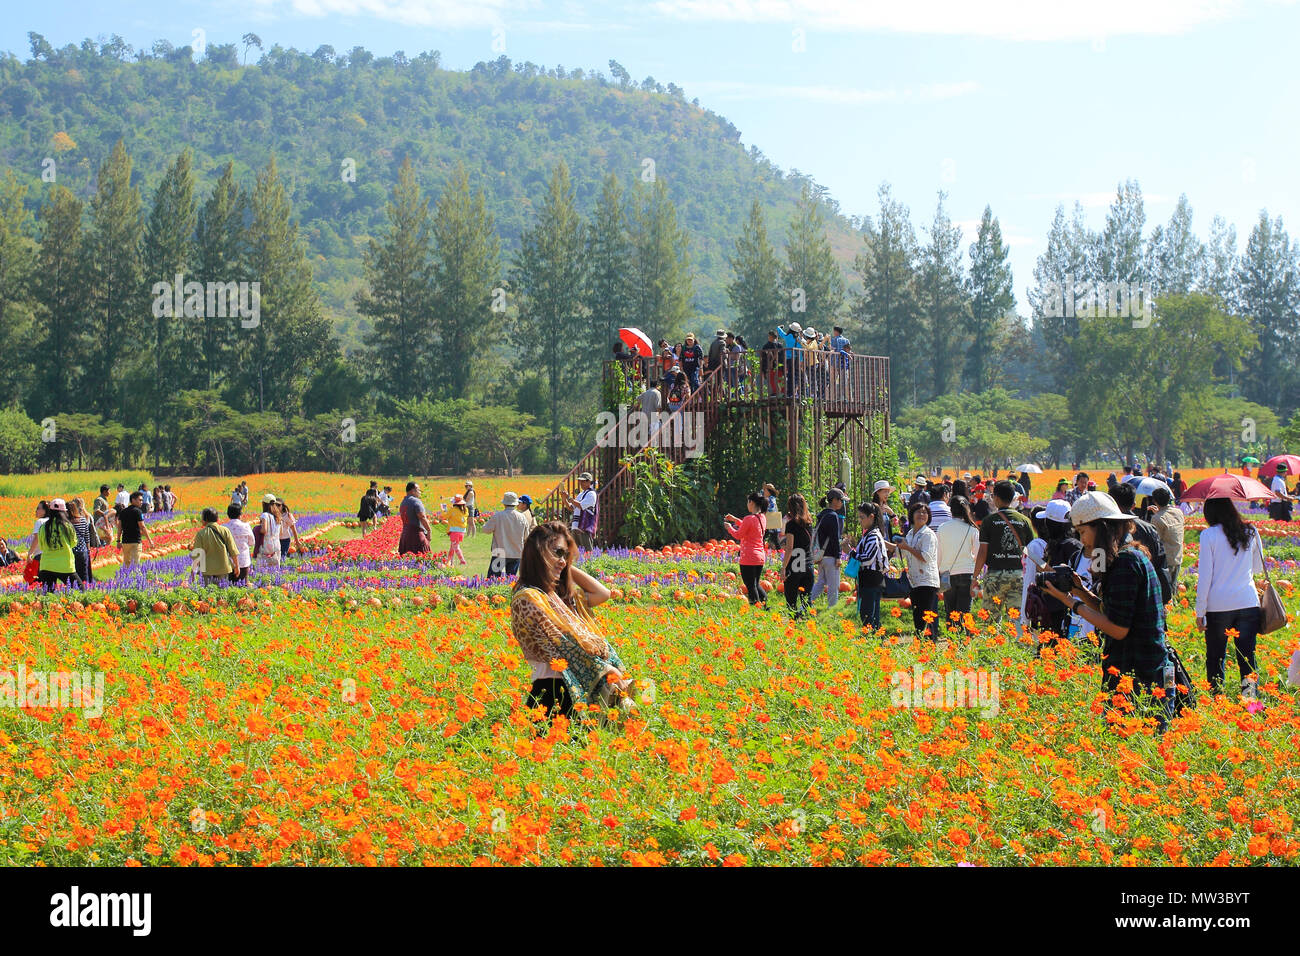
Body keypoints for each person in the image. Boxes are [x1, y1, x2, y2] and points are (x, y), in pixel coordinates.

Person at [1040, 492, 1175, 733]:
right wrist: (1079, 591)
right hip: (1141, 670)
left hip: (1139, 678)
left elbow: (1118, 629)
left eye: (1083, 533)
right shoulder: (1127, 555)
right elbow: (1109, 609)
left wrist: (1071, 603)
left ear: (1101, 527)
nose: (1083, 542)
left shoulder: (1125, 563)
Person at [510, 522, 627, 721]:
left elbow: (603, 593)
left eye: (566, 554)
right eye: (557, 552)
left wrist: (566, 565)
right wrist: (605, 668)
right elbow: (564, 642)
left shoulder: (556, 598)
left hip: (574, 691)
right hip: (550, 693)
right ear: (538, 553)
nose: (563, 560)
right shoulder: (527, 597)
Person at [1194, 497, 1265, 699]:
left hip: (1218, 606)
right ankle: (1251, 703)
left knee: (1215, 657)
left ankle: (1218, 702)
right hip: (1248, 602)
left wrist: (1200, 611)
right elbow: (1258, 567)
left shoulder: (1209, 535)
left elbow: (1205, 576)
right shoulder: (1250, 531)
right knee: (1247, 658)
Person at [973, 480, 1035, 637]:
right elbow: (1030, 552)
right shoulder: (1024, 520)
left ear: (996, 499)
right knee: (1015, 618)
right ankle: (1017, 651)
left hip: (994, 576)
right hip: (1018, 576)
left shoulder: (989, 521)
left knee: (989, 618)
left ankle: (990, 651)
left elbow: (983, 552)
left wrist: (975, 577)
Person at [1025, 499, 1083, 653]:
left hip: (1063, 608)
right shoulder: (1057, 544)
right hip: (1050, 607)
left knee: (1052, 650)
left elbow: (1064, 575)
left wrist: (1035, 559)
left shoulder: (1070, 546)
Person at [1110, 483, 1172, 602]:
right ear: (1133, 505)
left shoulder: (1105, 529)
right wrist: (1164, 597)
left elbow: (1098, 567)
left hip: (1117, 593)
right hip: (1146, 592)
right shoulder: (1148, 529)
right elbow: (1160, 565)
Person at [896, 501, 940, 641]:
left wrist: (907, 548)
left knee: (926, 616)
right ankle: (922, 646)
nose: (922, 515)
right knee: (918, 617)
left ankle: (929, 647)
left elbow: (925, 557)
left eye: (925, 512)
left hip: (927, 580)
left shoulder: (928, 534)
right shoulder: (910, 534)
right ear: (912, 515)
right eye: (918, 512)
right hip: (914, 581)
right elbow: (902, 551)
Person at [937, 496, 979, 626]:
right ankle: (963, 641)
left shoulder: (942, 528)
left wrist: (938, 572)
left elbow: (938, 554)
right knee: (965, 612)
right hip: (967, 572)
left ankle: (952, 640)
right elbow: (978, 554)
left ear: (951, 510)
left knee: (950, 612)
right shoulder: (972, 529)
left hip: (947, 574)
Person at [851, 502, 893, 631]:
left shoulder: (873, 535)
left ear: (871, 517)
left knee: (869, 613)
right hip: (869, 579)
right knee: (869, 612)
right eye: (859, 517)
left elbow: (868, 559)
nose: (860, 521)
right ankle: (873, 637)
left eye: (862, 517)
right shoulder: (869, 534)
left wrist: (851, 553)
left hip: (872, 579)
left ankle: (871, 637)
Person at [724, 493, 769, 607]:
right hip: (759, 556)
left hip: (748, 556)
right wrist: (735, 520)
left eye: (748, 502)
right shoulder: (762, 517)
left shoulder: (749, 519)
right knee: (756, 584)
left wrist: (729, 528)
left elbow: (739, 535)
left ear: (751, 503)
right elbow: (748, 525)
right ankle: (765, 605)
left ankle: (756, 607)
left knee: (750, 585)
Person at [809, 488, 847, 606]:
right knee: (833, 586)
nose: (842, 503)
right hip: (831, 557)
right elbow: (834, 538)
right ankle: (832, 611)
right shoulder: (833, 516)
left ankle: (805, 604)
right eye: (841, 500)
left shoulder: (823, 515)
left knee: (821, 582)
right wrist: (838, 556)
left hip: (821, 555)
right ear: (835, 500)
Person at [781, 494, 815, 618]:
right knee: (807, 600)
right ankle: (809, 625)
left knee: (791, 602)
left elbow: (790, 548)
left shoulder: (791, 525)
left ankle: (793, 625)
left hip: (795, 565)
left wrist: (784, 567)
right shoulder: (809, 523)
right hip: (808, 565)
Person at [483, 491, 531, 577]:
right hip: (516, 552)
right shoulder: (522, 517)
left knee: (493, 579)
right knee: (510, 580)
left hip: (500, 552)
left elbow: (486, 530)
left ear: (504, 504)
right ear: (516, 504)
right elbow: (526, 536)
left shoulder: (498, 516)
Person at [36, 499, 77, 592]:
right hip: (65, 565)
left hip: (46, 565)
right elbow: (73, 543)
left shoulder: (43, 527)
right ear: (64, 512)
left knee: (48, 595)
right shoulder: (67, 526)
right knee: (80, 589)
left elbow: (41, 546)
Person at [1148, 486, 1185, 588]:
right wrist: (1159, 512)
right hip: (1177, 555)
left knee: (1166, 590)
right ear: (1169, 498)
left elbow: (1155, 541)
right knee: (1174, 585)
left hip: (1166, 559)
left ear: (1155, 501)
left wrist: (1158, 514)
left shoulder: (1156, 519)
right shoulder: (1178, 512)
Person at [192, 507, 238, 585]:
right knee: (222, 593)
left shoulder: (201, 533)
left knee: (208, 593)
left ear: (204, 520)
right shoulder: (225, 530)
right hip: (223, 568)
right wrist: (237, 566)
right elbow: (233, 551)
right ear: (217, 519)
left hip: (207, 569)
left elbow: (197, 555)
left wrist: (193, 571)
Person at [116, 491, 154, 571]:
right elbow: (143, 527)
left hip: (125, 541)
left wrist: (118, 540)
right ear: (133, 500)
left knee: (126, 564)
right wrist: (150, 540)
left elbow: (119, 527)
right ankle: (133, 580)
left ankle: (126, 580)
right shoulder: (138, 511)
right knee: (135, 564)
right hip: (135, 542)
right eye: (139, 500)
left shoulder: (123, 511)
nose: (141, 502)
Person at [563, 473, 598, 551]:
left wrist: (569, 497)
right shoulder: (581, 494)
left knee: (587, 551)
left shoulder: (591, 494)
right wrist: (564, 498)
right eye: (580, 481)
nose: (581, 483)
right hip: (576, 526)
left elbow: (581, 506)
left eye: (583, 481)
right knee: (576, 552)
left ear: (589, 482)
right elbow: (571, 508)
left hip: (584, 527)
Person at [398, 482, 432, 556]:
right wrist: (429, 531)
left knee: (407, 560)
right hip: (416, 535)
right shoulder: (416, 501)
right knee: (422, 559)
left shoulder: (403, 502)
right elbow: (422, 517)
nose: (420, 492)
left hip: (405, 534)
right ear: (413, 490)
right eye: (418, 490)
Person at [68, 498, 94, 589]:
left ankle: (74, 590)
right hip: (83, 550)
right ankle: (85, 590)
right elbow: (87, 536)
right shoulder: (83, 520)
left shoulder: (67, 523)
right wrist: (88, 549)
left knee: (73, 574)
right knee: (84, 573)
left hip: (72, 551)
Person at [226, 503, 255, 583]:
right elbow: (252, 542)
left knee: (228, 585)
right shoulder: (246, 526)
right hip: (243, 560)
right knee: (243, 584)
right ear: (240, 515)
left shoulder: (224, 527)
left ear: (228, 514)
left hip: (228, 561)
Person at [257, 496, 281, 571]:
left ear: (264, 504)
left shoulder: (265, 515)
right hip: (276, 545)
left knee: (263, 570)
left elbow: (264, 530)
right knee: (275, 570)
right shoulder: (277, 516)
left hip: (266, 546)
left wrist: (256, 530)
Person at [445, 494, 470, 564]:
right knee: (452, 547)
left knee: (455, 547)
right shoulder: (465, 510)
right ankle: (449, 561)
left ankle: (462, 560)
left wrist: (444, 510)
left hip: (454, 531)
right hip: (462, 531)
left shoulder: (453, 510)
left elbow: (445, 516)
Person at [761, 330, 783, 395]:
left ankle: (781, 393)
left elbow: (780, 355)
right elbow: (763, 356)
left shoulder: (779, 345)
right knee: (772, 380)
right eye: (769, 336)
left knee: (779, 379)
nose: (770, 337)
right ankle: (774, 392)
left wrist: (772, 360)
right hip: (770, 366)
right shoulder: (766, 346)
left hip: (778, 365)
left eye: (771, 336)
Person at [762, 483, 783, 550]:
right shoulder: (767, 498)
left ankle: (780, 554)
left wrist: (765, 510)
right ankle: (780, 553)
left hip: (771, 522)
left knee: (775, 539)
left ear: (769, 492)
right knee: (763, 537)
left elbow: (772, 508)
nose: (764, 491)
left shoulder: (771, 498)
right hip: (769, 522)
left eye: (765, 490)